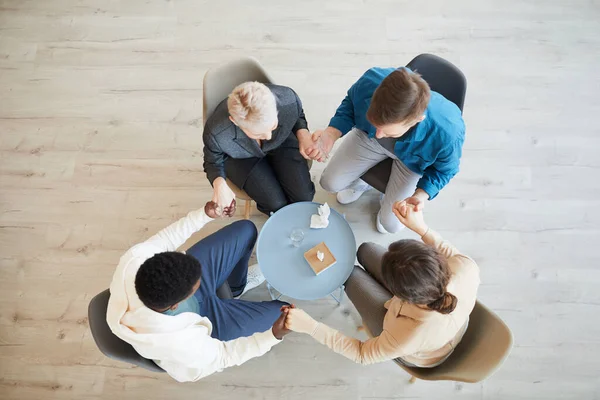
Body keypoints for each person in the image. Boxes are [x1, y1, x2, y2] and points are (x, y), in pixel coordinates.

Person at [106, 201, 291, 382]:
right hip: (202, 322)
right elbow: (224, 356)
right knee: (283, 313)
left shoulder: (135, 259)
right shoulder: (181, 343)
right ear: (175, 305)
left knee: (247, 230)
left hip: (181, 302)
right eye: (197, 283)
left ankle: (236, 289)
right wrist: (272, 336)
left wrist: (203, 214)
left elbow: (166, 239)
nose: (201, 276)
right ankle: (232, 299)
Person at [284, 202, 480, 367]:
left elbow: (361, 354)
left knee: (350, 274)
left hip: (418, 347)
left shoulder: (406, 335)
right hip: (438, 316)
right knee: (366, 249)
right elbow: (446, 250)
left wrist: (311, 326)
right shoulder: (466, 268)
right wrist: (421, 227)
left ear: (400, 295)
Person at [306, 67, 465, 233]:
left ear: (416, 120)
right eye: (376, 124)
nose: (380, 135)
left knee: (392, 225)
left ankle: (386, 200)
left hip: (412, 163)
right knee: (329, 183)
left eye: (388, 131)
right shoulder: (370, 81)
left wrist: (420, 195)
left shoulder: (448, 134)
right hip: (368, 140)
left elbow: (444, 171)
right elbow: (350, 105)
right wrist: (331, 134)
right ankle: (361, 184)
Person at [203, 81, 315, 216]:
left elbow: (297, 116)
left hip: (282, 142)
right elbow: (212, 161)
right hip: (241, 158)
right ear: (235, 121)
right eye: (257, 133)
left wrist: (303, 133)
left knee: (304, 197)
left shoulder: (289, 100)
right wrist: (219, 185)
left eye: (272, 126)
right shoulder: (216, 133)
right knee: (275, 204)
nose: (268, 137)